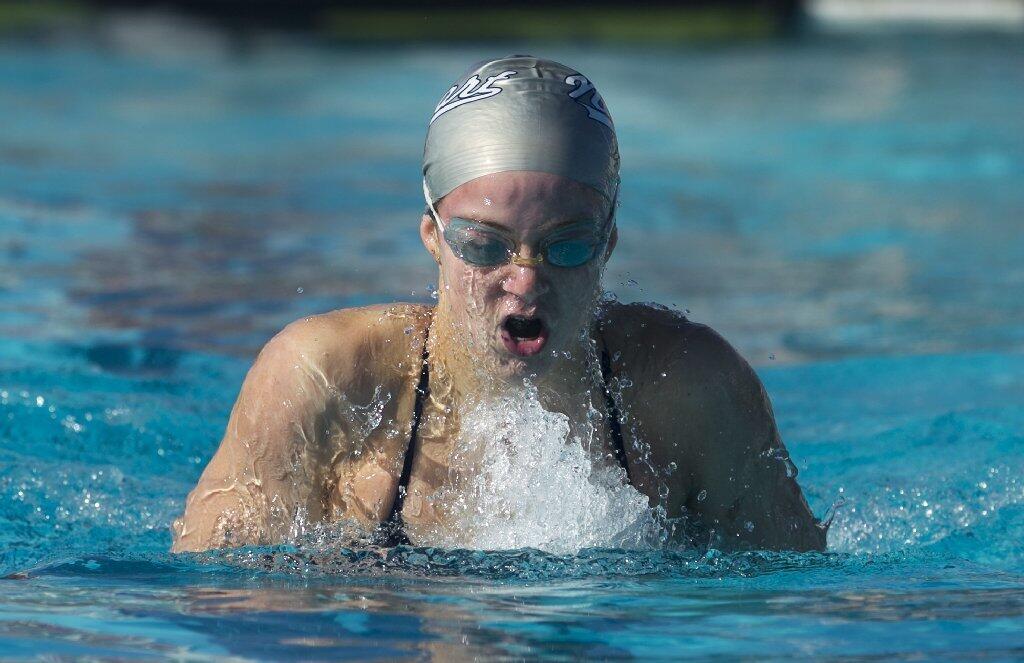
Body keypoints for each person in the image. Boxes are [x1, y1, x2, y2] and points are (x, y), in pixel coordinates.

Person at [171, 55, 826, 553]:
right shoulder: (323, 381)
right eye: (486, 246)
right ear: (433, 235)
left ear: (608, 243)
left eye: (565, 247)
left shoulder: (691, 390)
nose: (525, 279)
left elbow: (798, 602)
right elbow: (218, 599)